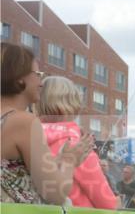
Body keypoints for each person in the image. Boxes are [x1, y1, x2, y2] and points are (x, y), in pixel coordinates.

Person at [1, 43, 92, 204]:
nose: (41, 82)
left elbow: (12, 171)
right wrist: (69, 161)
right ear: (19, 77)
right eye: (37, 74)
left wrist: (58, 161)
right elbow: (54, 193)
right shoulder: (24, 122)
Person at [37, 76, 117, 210]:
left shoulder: (29, 138)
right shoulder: (76, 145)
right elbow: (106, 202)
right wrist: (117, 203)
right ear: (73, 103)